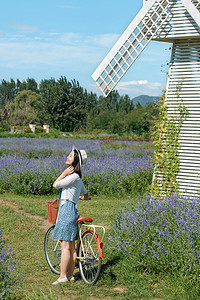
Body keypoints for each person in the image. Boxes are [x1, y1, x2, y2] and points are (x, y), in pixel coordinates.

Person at [51, 145, 90, 285]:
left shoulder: (72, 177)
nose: (67, 157)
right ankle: (70, 275)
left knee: (65, 245)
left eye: (70, 156)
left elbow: (55, 184)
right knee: (72, 245)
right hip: (72, 208)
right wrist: (78, 197)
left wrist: (62, 174)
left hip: (66, 210)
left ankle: (63, 276)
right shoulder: (78, 178)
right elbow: (86, 194)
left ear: (75, 162)